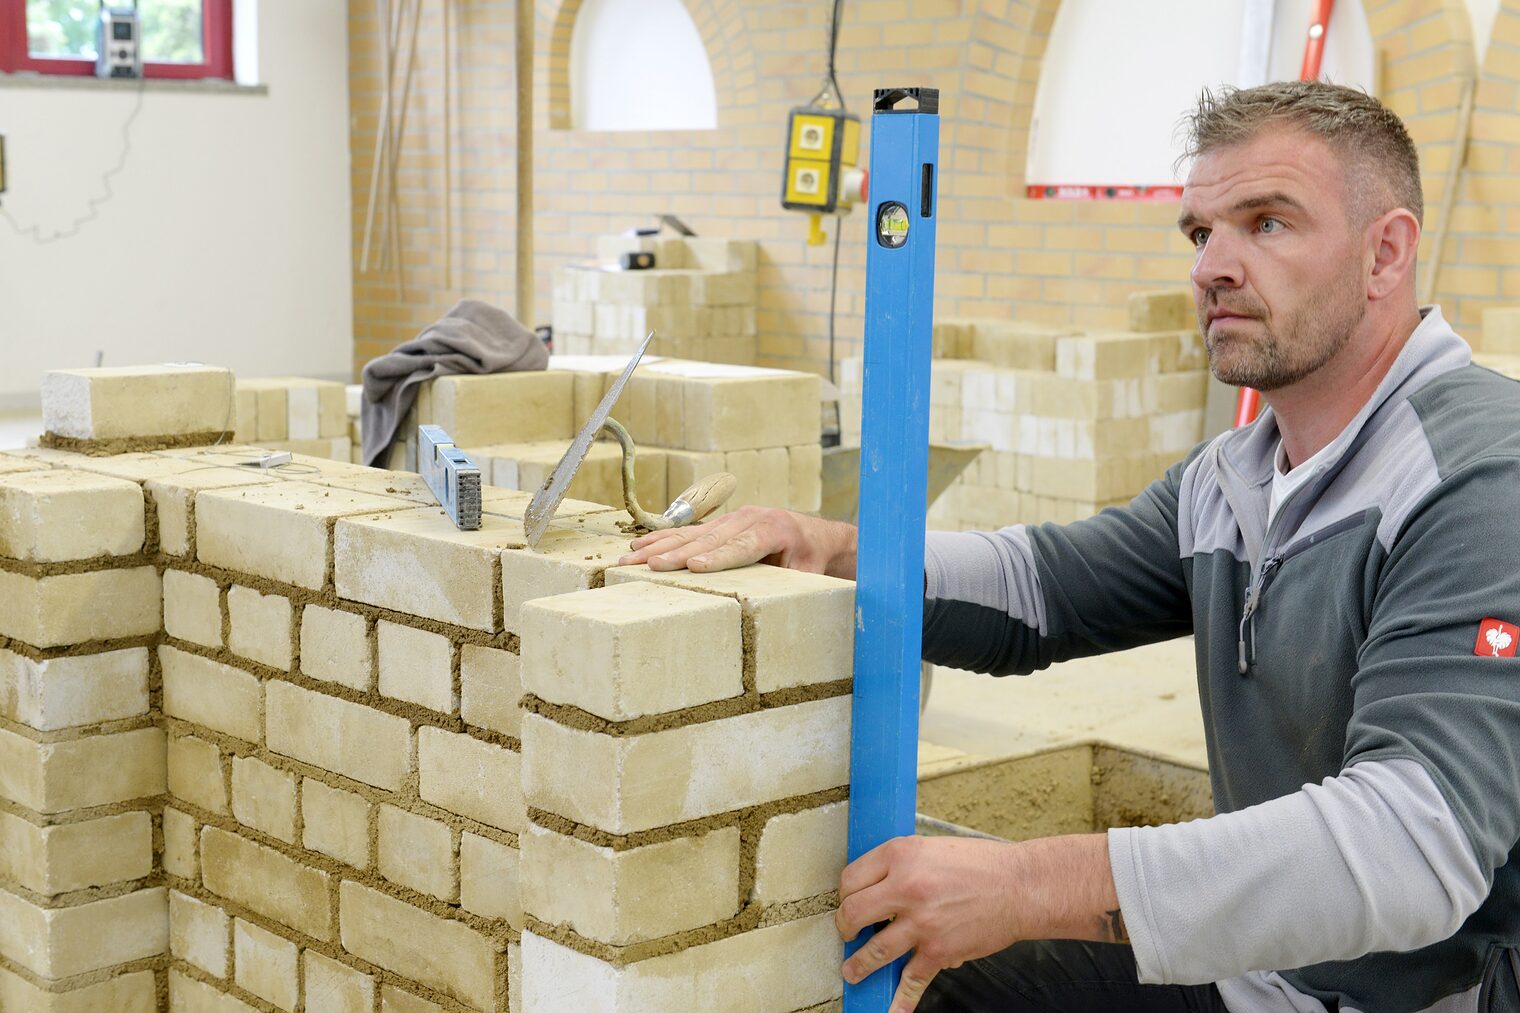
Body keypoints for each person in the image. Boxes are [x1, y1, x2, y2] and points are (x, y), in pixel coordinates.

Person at [619, 81, 1520, 1013]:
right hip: (1262, 977)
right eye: (1200, 233)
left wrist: (1026, 886)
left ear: (1387, 253)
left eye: (1268, 223)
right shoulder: (1235, 478)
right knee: (914, 986)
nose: (1214, 266)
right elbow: (1041, 588)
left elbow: (1414, 846)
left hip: (1426, 1001)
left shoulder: (1481, 479)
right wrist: (833, 549)